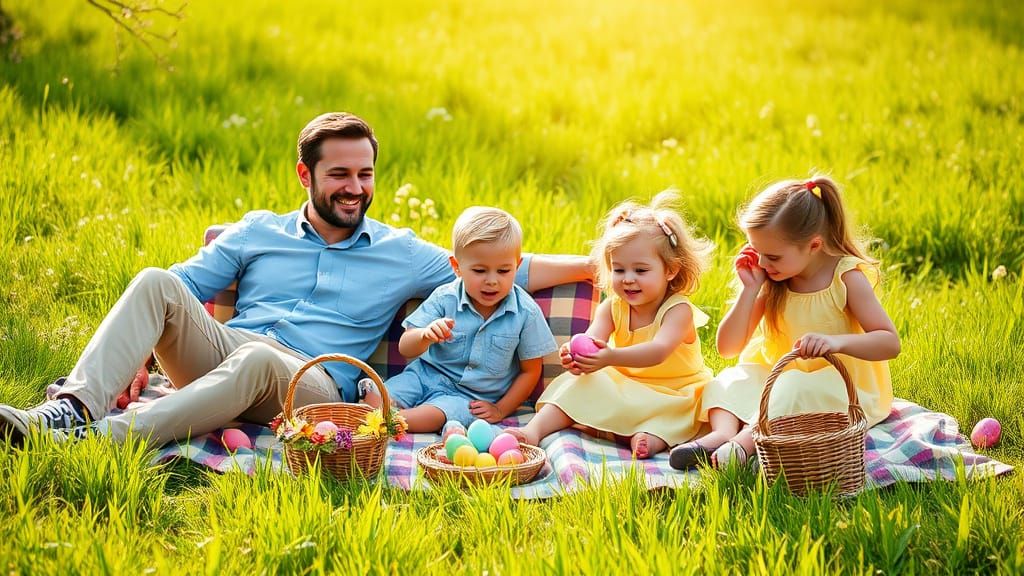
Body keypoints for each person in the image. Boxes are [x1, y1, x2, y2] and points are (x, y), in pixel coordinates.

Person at [0, 112, 591, 448]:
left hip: (310, 385)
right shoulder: (259, 231)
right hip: (223, 356)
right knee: (155, 278)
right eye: (339, 174)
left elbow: (502, 265)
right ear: (305, 174)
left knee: (258, 362)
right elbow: (177, 288)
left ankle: (105, 441)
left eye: (365, 174)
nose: (355, 187)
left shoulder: (401, 251)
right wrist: (137, 357)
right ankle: (67, 412)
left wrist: (594, 265)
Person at [669, 176, 899, 470]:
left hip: (841, 390)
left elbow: (889, 342)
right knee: (730, 380)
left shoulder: (846, 278)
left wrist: (836, 343)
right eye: (757, 251)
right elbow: (728, 347)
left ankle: (744, 445)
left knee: (794, 387)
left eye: (773, 256)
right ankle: (721, 436)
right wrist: (749, 291)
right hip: (779, 378)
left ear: (814, 245)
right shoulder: (771, 280)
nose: (763, 263)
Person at [508, 190, 714, 459]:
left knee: (675, 416)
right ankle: (533, 432)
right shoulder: (613, 307)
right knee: (579, 382)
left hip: (674, 392)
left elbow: (658, 351)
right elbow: (593, 341)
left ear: (670, 270)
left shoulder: (678, 310)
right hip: (626, 384)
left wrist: (611, 357)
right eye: (619, 270)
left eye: (640, 271)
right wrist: (577, 354)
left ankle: (650, 439)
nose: (628, 279)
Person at [361, 206, 557, 433]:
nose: (492, 281)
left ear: (517, 266)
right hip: (424, 375)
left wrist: (501, 409)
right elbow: (406, 346)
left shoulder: (525, 312)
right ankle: (377, 408)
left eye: (503, 271)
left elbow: (530, 371)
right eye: (480, 270)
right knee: (384, 392)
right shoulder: (445, 298)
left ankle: (392, 419)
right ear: (457, 267)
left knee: (436, 414)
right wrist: (425, 335)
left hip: (469, 398)